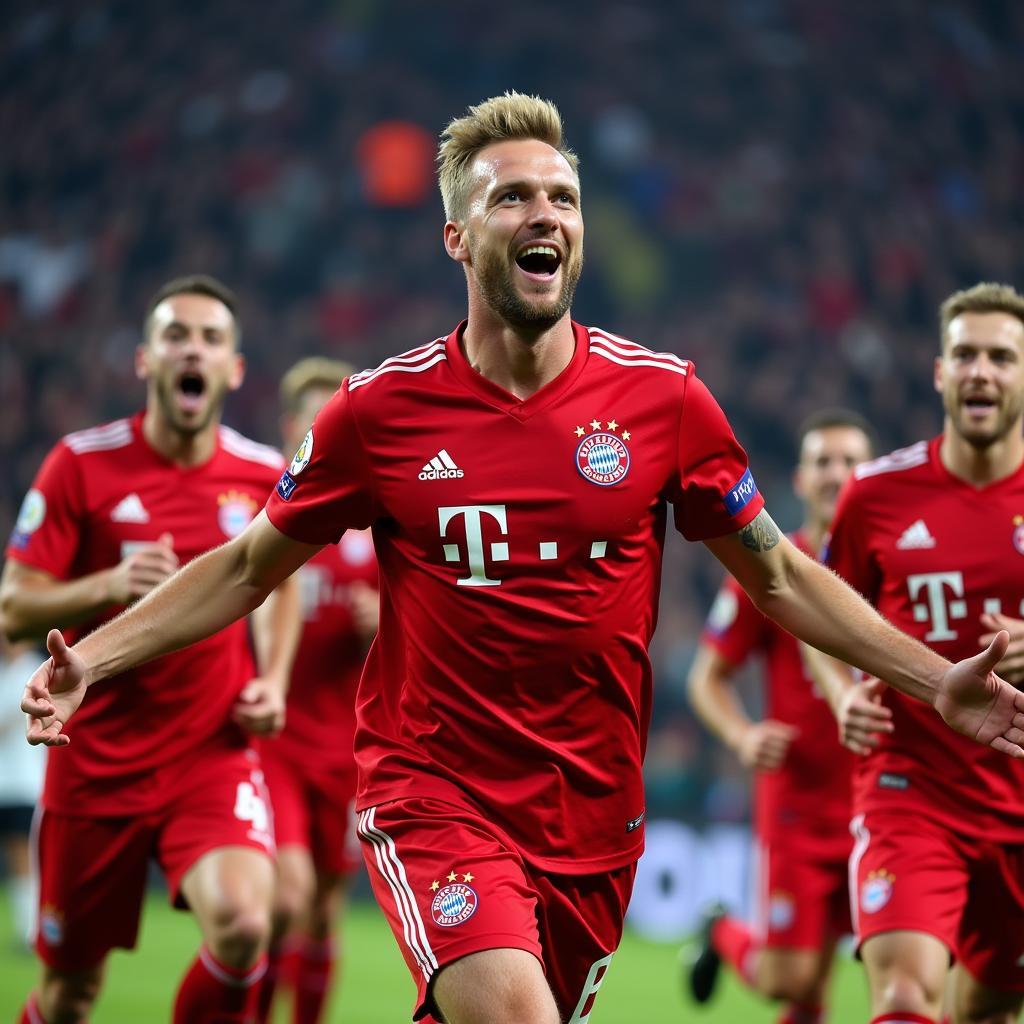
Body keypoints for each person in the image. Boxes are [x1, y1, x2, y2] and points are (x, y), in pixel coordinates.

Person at [18, 97, 1024, 1024]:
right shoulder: (378, 412)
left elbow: (780, 574)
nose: (546, 212)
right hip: (434, 792)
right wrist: (93, 658)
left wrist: (939, 683)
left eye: (563, 196)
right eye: (512, 197)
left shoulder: (664, 401)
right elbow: (245, 569)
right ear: (457, 236)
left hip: (593, 814)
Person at [0, 275, 301, 1024]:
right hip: (93, 760)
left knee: (243, 924)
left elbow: (280, 583)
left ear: (232, 368)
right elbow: (13, 606)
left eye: (208, 338)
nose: (190, 349)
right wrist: (106, 581)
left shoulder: (263, 473)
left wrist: (276, 679)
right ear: (145, 360)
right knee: (72, 993)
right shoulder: (81, 462)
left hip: (210, 751)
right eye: (175, 335)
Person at [806, 282, 1024, 1024]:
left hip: (1018, 800)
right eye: (965, 354)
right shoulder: (876, 495)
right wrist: (842, 695)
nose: (981, 372)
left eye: (1001, 356)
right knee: (904, 1000)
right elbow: (820, 616)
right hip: (911, 789)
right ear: (940, 372)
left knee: (987, 1012)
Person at [685, 410, 873, 1024]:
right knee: (791, 978)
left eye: (850, 462)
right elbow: (705, 679)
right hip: (798, 804)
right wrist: (742, 735)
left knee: (881, 970)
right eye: (823, 461)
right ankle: (722, 935)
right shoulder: (770, 566)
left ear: (870, 475)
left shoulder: (897, 562)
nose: (836, 473)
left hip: (883, 801)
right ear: (799, 478)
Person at [257, 357, 379, 1024]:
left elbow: (424, 630)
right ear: (290, 428)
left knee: (325, 908)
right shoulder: (269, 518)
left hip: (348, 748)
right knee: (288, 895)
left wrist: (385, 621)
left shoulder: (369, 529)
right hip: (275, 740)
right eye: (312, 415)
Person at [0, 630, 45, 951]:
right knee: (16, 858)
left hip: (26, 783)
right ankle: (29, 929)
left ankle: (34, 931)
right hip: (5, 784)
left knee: (25, 858)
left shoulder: (34, 671)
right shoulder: (5, 674)